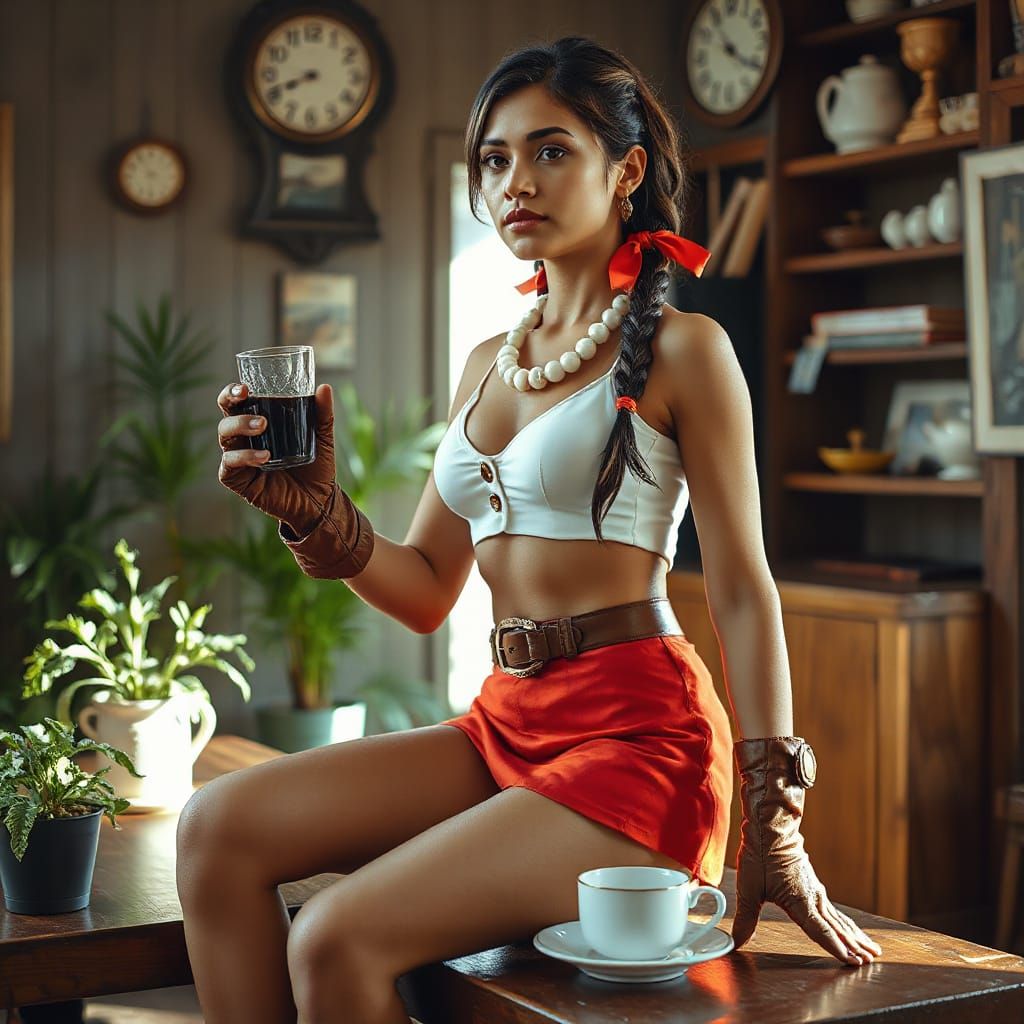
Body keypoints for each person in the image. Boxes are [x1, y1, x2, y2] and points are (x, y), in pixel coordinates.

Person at [178, 35, 882, 1024]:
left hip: (643, 743)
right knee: (217, 826)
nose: (517, 180)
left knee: (334, 933)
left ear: (624, 170)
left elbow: (741, 590)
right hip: (506, 717)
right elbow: (425, 587)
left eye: (551, 151)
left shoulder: (686, 347)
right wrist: (324, 524)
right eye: (496, 159)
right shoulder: (485, 364)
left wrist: (776, 817)